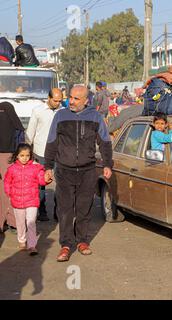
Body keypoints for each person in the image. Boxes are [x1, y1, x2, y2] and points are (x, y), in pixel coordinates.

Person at [44, 86, 113, 262]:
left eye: (76, 99)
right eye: (71, 98)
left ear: (86, 101)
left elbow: (105, 142)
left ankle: (82, 241)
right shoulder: (60, 116)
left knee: (84, 209)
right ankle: (66, 245)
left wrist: (107, 164)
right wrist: (47, 167)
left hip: (87, 171)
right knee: (65, 210)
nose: (71, 102)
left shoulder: (95, 117)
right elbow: (52, 141)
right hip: (64, 170)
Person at [3, 144, 48, 256]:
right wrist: (10, 193)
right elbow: (7, 182)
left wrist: (46, 179)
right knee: (20, 223)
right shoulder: (12, 169)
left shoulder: (36, 168)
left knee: (31, 222)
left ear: (31, 156)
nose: (25, 158)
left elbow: (42, 181)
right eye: (22, 155)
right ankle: (22, 240)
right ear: (17, 156)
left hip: (32, 201)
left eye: (27, 155)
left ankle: (32, 245)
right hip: (17, 201)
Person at [26, 88, 63, 221]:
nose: (58, 103)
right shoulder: (38, 111)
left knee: (61, 182)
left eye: (60, 101)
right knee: (40, 183)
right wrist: (27, 150)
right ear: (48, 97)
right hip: (40, 152)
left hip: (59, 153)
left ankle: (58, 211)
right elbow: (30, 132)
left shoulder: (63, 112)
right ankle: (42, 211)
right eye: (55, 100)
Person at [0, 102, 25, 232]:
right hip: (12, 158)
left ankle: (6, 221)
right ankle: (13, 221)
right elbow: (22, 143)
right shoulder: (17, 126)